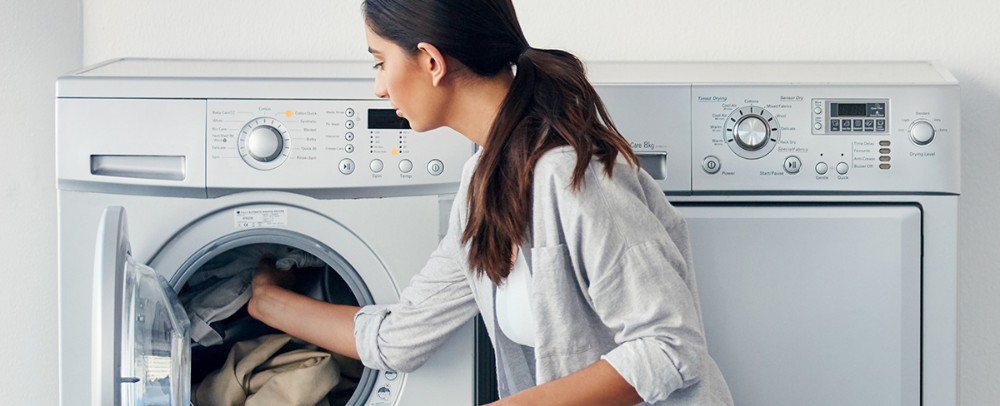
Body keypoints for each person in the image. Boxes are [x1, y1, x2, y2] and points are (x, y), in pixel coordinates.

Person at [245, 0, 734, 404]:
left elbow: (672, 347)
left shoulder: (570, 174)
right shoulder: (484, 180)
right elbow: (400, 337)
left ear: (431, 62)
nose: (378, 86)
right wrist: (265, 300)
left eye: (380, 62)